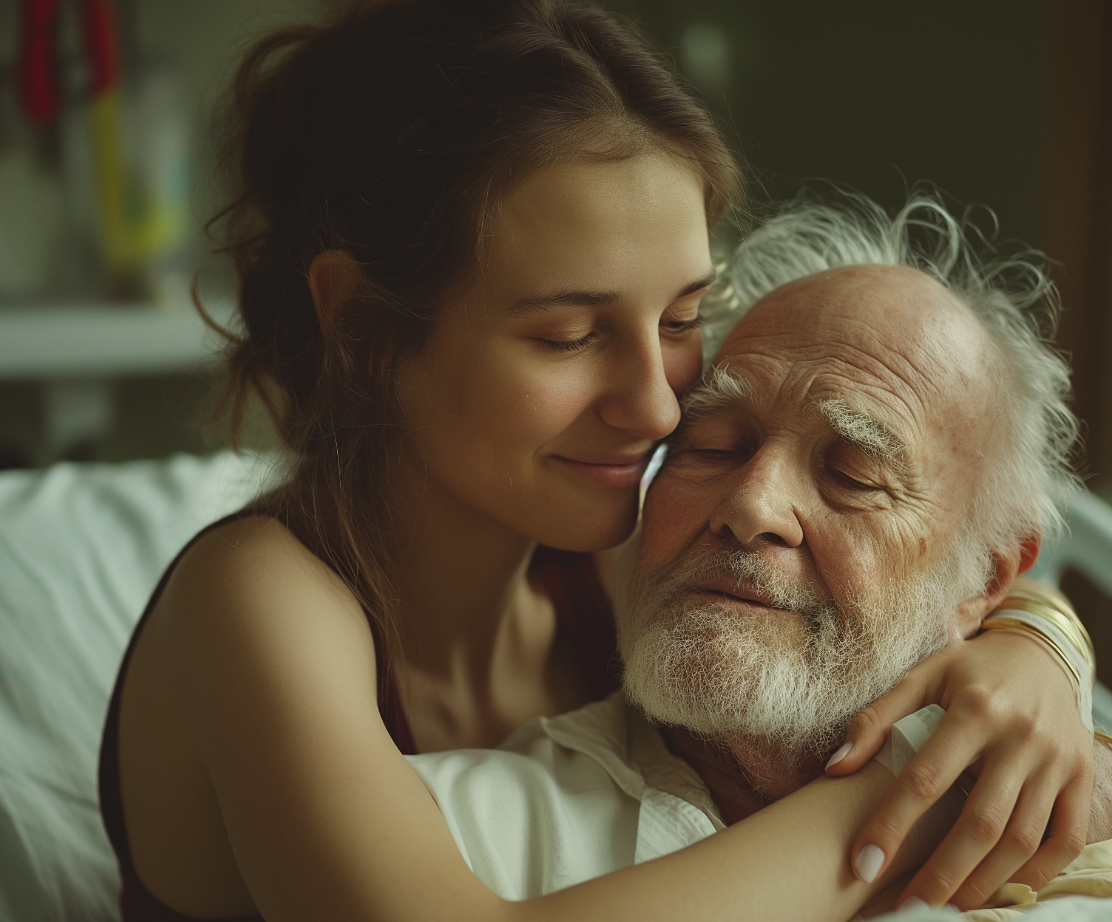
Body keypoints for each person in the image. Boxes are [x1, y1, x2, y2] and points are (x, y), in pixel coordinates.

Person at [95, 1, 1100, 919]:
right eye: (570, 335)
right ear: (366, 329)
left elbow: (928, 573)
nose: (658, 403)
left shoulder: (605, 549)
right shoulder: (258, 598)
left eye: (679, 318)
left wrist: (1040, 647)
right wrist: (911, 789)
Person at [392, 191, 1112, 917]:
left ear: (986, 578)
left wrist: (1048, 642)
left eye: (853, 473)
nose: (751, 506)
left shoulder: (1084, 809)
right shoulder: (449, 837)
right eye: (713, 445)